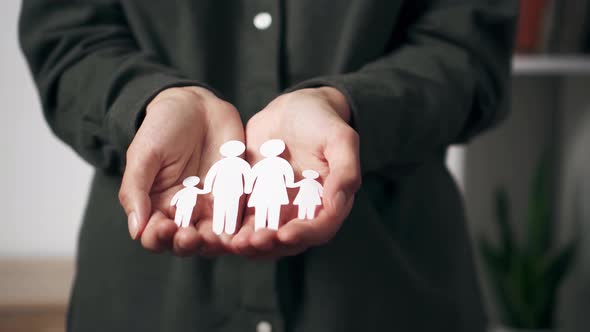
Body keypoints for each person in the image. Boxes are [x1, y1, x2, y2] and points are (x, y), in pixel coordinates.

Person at [19, 1, 518, 331]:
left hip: (390, 295)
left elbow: (467, 49)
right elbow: (67, 37)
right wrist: (147, 102)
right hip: (146, 301)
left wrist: (350, 107)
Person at [202, 140, 251, 235]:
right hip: (228, 190)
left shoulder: (222, 164)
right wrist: (247, 188)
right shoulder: (239, 163)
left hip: (229, 191)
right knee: (229, 208)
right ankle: (225, 228)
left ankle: (225, 228)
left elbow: (211, 176)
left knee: (225, 208)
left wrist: (207, 189)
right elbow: (248, 176)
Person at [245, 139, 295, 231]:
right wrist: (289, 183)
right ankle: (268, 226)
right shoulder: (281, 163)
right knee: (272, 209)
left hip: (265, 190)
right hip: (271, 190)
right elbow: (289, 175)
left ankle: (266, 226)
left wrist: (248, 188)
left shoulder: (262, 164)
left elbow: (252, 177)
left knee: (266, 208)